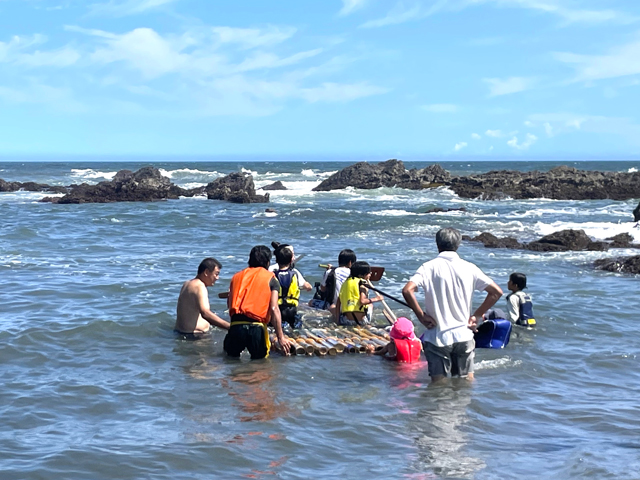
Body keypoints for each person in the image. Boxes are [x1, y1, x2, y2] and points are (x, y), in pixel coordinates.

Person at [402, 228, 503, 382]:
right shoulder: (470, 267)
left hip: (438, 336)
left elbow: (407, 290)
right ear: (458, 245)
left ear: (437, 244)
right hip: (464, 334)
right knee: (466, 382)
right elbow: (496, 292)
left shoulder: (428, 267)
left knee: (439, 386)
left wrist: (421, 316)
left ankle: (442, 406)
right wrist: (476, 315)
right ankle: (464, 406)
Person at [224, 246, 291, 359]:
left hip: (236, 326)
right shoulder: (272, 280)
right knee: (260, 366)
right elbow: (274, 308)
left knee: (231, 362)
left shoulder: (236, 277)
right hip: (256, 328)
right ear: (268, 262)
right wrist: (281, 338)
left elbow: (229, 301)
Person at [175, 257, 230, 335]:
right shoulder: (199, 286)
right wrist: (230, 327)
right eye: (216, 274)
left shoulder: (188, 283)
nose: (217, 278)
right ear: (206, 272)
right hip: (195, 336)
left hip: (181, 332)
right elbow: (205, 313)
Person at [269, 242, 312, 329]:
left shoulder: (271, 274)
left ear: (276, 260)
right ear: (290, 260)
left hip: (278, 310)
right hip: (291, 310)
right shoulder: (295, 273)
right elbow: (309, 287)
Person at [308, 249, 357, 318]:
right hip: (351, 305)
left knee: (311, 302)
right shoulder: (355, 273)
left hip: (333, 306)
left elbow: (322, 289)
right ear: (350, 263)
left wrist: (328, 271)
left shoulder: (330, 272)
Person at [335, 260, 383, 326]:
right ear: (361, 275)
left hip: (346, 320)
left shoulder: (345, 283)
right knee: (370, 305)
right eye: (368, 273)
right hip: (360, 322)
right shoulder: (363, 284)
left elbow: (338, 303)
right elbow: (362, 301)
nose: (370, 274)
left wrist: (338, 321)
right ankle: (368, 324)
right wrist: (376, 299)